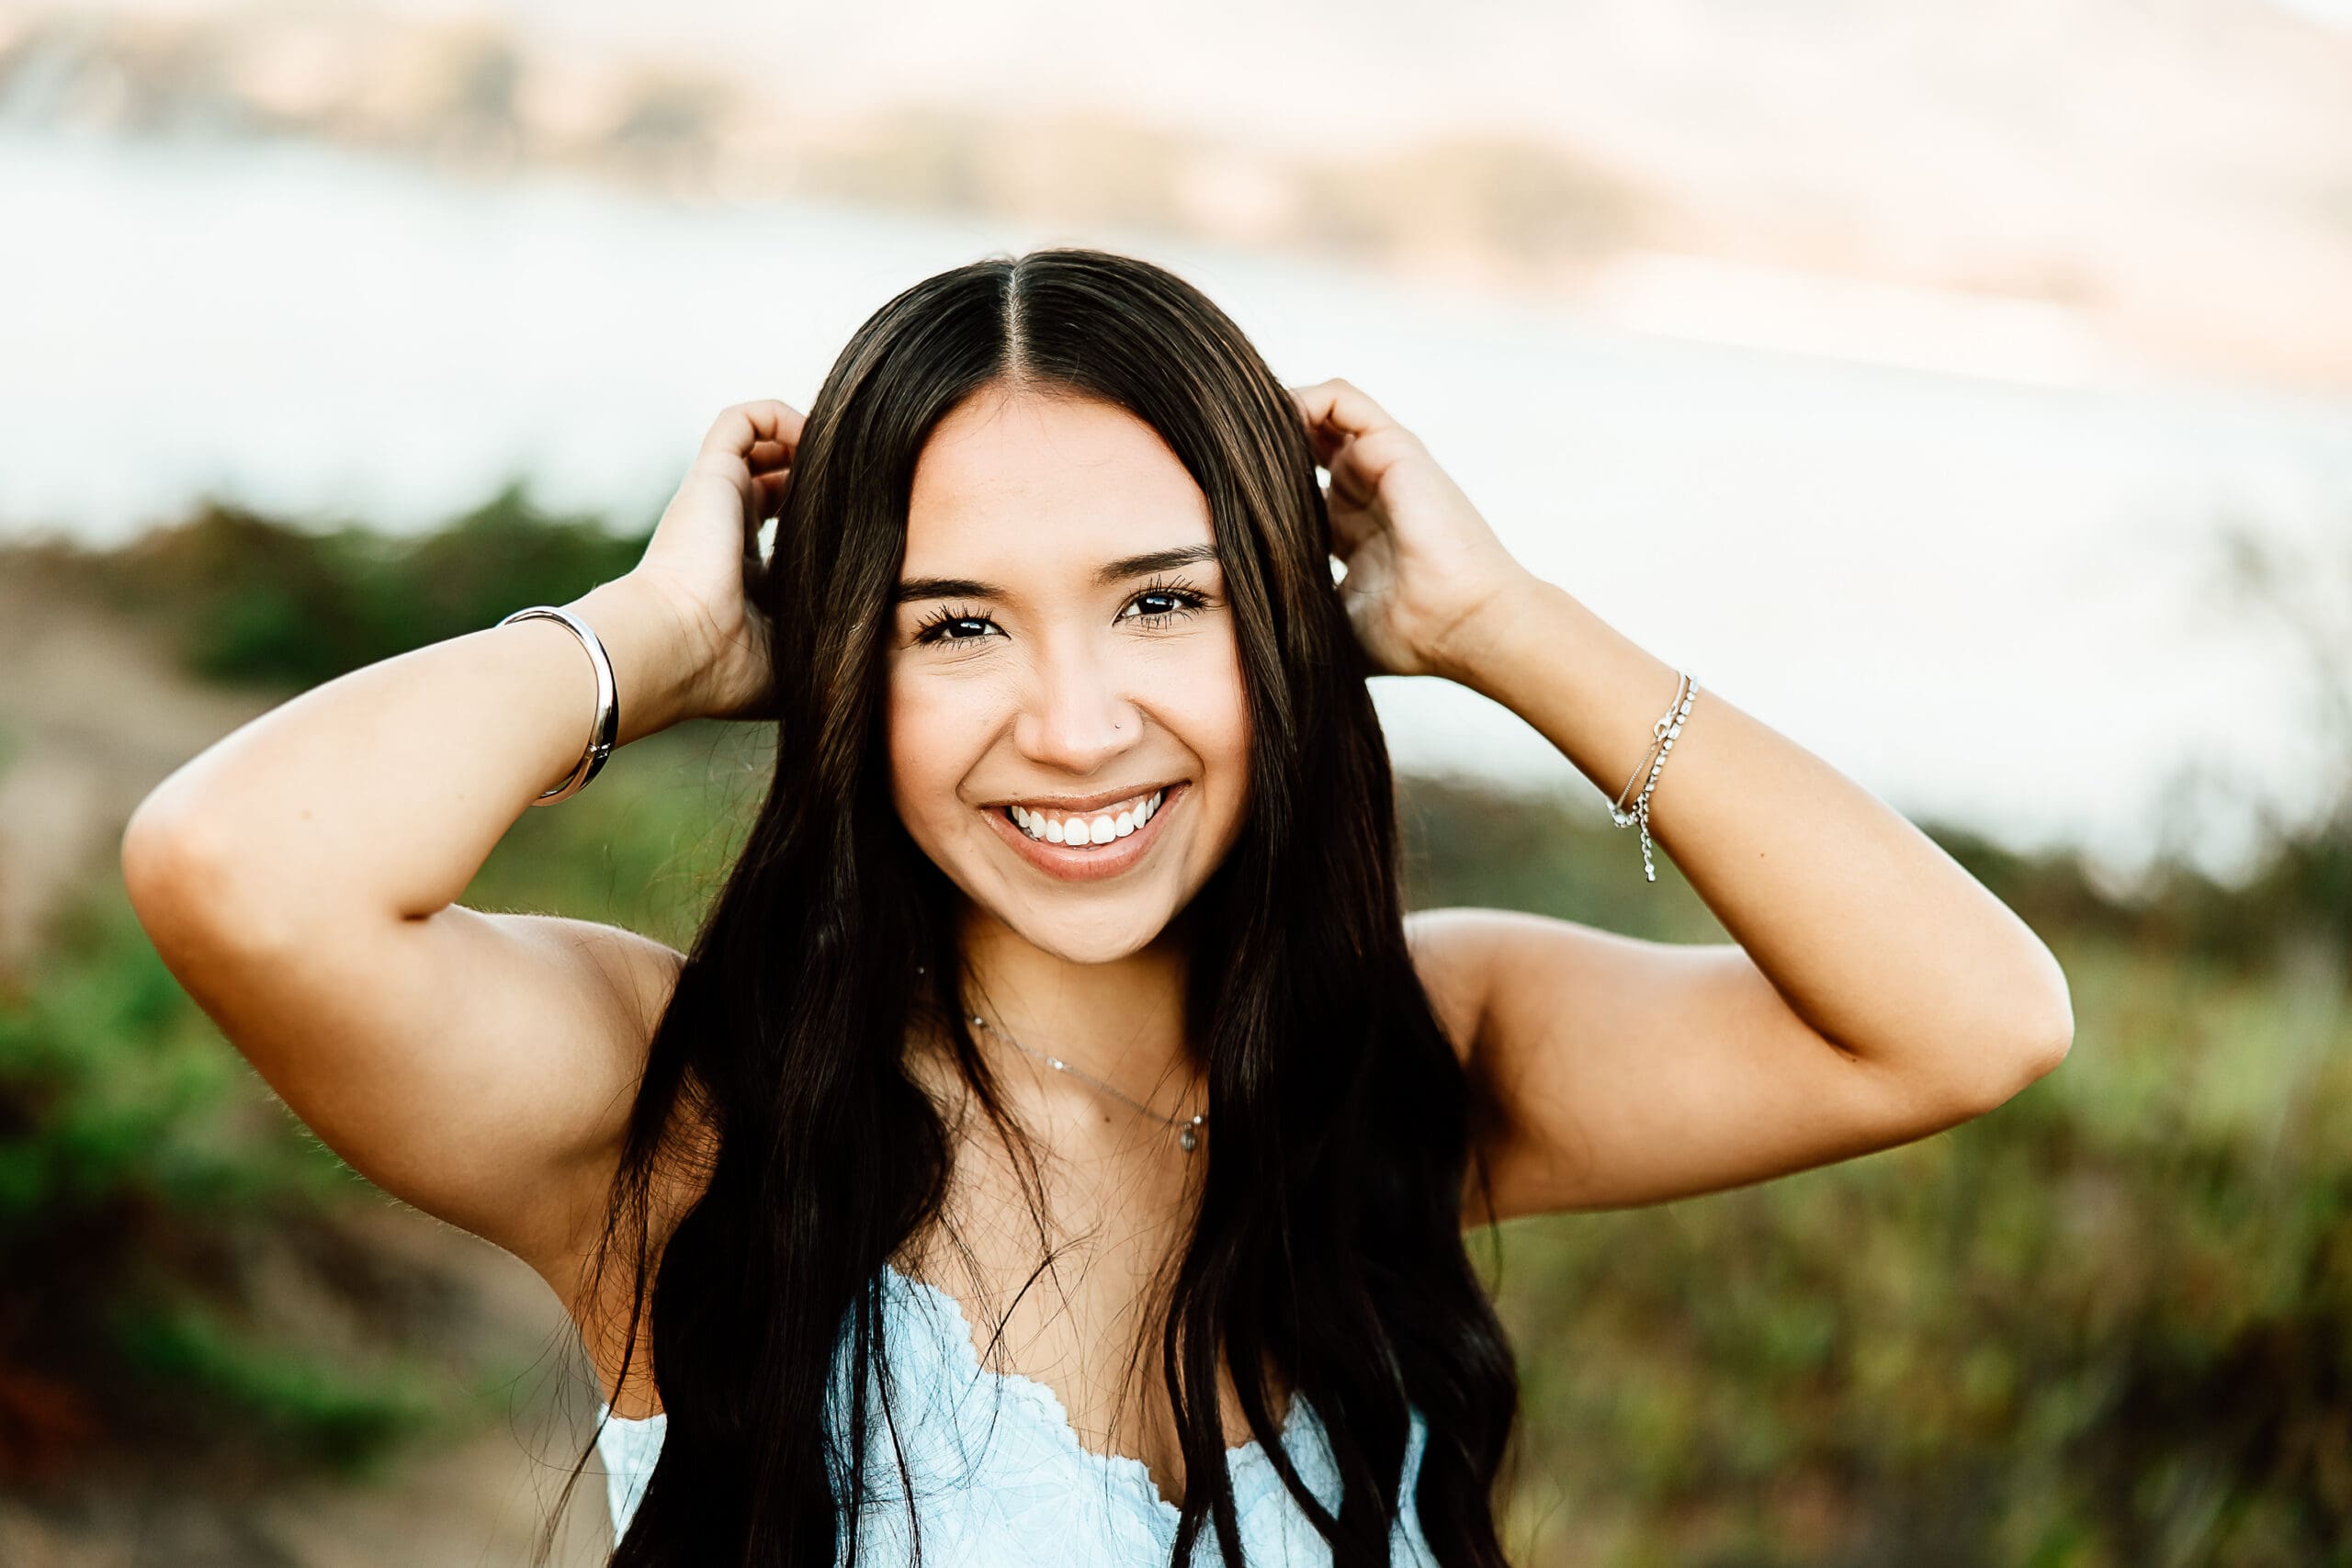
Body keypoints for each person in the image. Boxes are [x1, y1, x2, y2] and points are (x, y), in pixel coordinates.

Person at [119, 247, 2074, 1567]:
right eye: (953, 625)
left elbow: (1964, 1016)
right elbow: (241, 869)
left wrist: (1499, 625)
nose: (1072, 725)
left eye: (1162, 600)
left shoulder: (1414, 1049)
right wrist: (659, 635)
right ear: (839, 664)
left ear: (1285, 627)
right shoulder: (689, 1107)